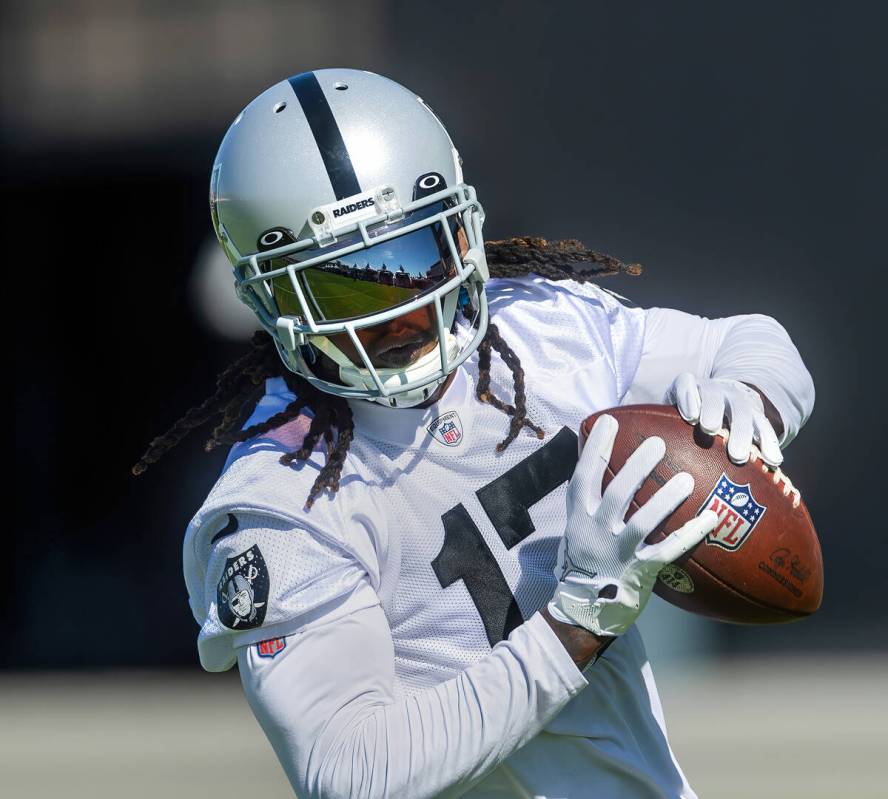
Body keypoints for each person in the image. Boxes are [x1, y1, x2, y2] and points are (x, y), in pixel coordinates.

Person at [134, 69, 814, 798]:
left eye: (413, 257)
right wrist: (574, 622)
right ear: (270, 300)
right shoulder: (278, 503)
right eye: (344, 286)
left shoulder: (538, 331)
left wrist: (747, 403)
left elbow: (753, 343)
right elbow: (353, 772)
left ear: (463, 229)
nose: (395, 314)